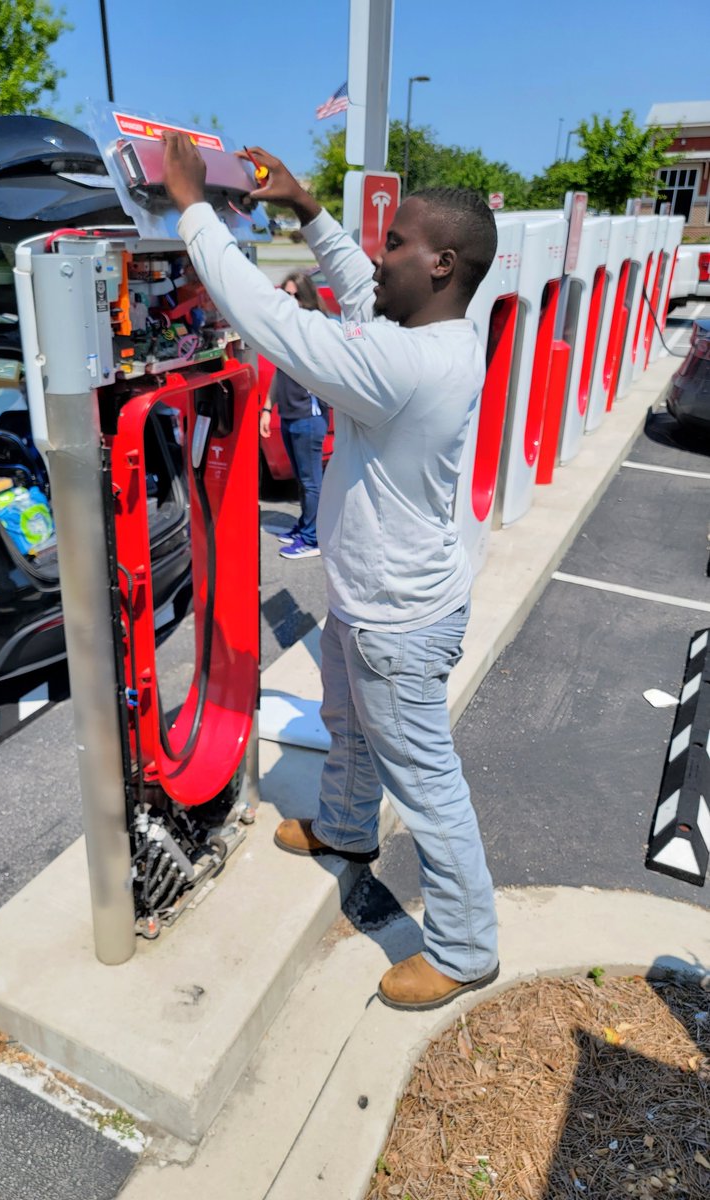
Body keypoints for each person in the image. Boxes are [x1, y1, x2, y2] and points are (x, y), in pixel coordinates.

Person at [162, 132, 499, 1012]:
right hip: (372, 601)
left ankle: (465, 948)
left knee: (427, 786)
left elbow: (278, 323)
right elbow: (356, 290)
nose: (380, 250)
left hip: (399, 620)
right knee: (348, 730)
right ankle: (345, 830)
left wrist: (195, 210)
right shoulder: (433, 335)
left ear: (444, 263)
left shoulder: (402, 364)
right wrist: (307, 209)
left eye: (397, 241)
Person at [261, 270, 331, 559]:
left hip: (308, 416)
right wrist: (267, 407)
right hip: (290, 414)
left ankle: (313, 539)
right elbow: (280, 372)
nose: (289, 300)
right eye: (285, 295)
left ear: (305, 296)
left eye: (294, 295)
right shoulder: (288, 329)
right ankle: (304, 527)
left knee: (311, 481)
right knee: (302, 481)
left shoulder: (317, 327)